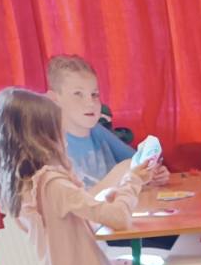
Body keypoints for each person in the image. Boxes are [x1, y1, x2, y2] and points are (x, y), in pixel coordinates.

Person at [0, 87, 201, 265]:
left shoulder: (24, 186)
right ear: (40, 138)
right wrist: (134, 180)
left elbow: (72, 223)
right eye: (59, 130)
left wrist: (108, 199)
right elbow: (119, 219)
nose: (64, 138)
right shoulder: (52, 184)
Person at [45, 53, 168, 193]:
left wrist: (152, 175)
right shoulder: (49, 146)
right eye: (78, 94)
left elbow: (139, 165)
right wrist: (122, 172)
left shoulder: (97, 131)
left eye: (94, 94)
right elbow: (73, 203)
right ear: (54, 100)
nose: (90, 103)